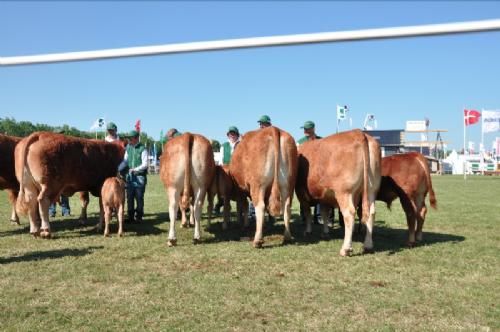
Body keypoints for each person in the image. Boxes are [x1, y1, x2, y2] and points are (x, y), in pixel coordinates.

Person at [118, 130, 148, 223]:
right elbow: (125, 161)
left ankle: (139, 217)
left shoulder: (143, 149)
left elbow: (145, 164)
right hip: (130, 177)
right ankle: (130, 217)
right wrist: (118, 169)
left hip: (140, 177)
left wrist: (135, 169)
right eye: (128, 138)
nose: (128, 140)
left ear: (136, 138)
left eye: (130, 138)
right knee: (129, 197)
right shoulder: (128, 148)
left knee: (139, 197)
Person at [213, 126, 241, 214]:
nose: (232, 135)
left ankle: (240, 211)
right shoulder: (224, 145)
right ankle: (219, 204)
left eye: (234, 134)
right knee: (222, 190)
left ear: (237, 135)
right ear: (228, 135)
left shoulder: (241, 144)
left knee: (239, 191)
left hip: (238, 172)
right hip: (226, 171)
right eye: (230, 134)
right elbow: (221, 159)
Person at [49, 127, 71, 217]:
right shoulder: (50, 145)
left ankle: (65, 211)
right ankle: (51, 211)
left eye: (62, 133)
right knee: (52, 193)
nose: (61, 135)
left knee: (64, 193)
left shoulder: (66, 146)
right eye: (59, 133)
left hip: (64, 173)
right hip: (54, 173)